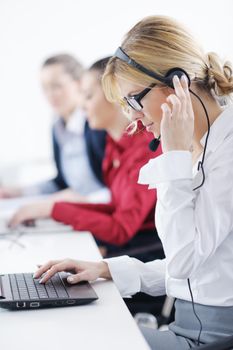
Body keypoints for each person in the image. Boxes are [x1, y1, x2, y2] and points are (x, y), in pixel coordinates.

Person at [33, 16, 233, 349]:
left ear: (177, 84)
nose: (134, 118)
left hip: (211, 337)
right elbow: (199, 265)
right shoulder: (204, 147)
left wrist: (174, 155)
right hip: (189, 323)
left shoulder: (221, 154)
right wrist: (105, 269)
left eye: (133, 100)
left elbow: (185, 263)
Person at [9, 57, 162, 260]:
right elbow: (116, 209)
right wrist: (51, 208)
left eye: (88, 96)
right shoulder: (113, 146)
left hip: (146, 256)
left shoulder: (144, 149)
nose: (81, 105)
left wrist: (54, 209)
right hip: (129, 247)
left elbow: (120, 228)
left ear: (116, 98)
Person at [0, 54, 109, 204]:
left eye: (56, 86)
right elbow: (62, 182)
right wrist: (19, 191)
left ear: (79, 83)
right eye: (45, 88)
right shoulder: (57, 127)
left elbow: (117, 188)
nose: (50, 95)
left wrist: (81, 200)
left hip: (99, 207)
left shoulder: (97, 123)